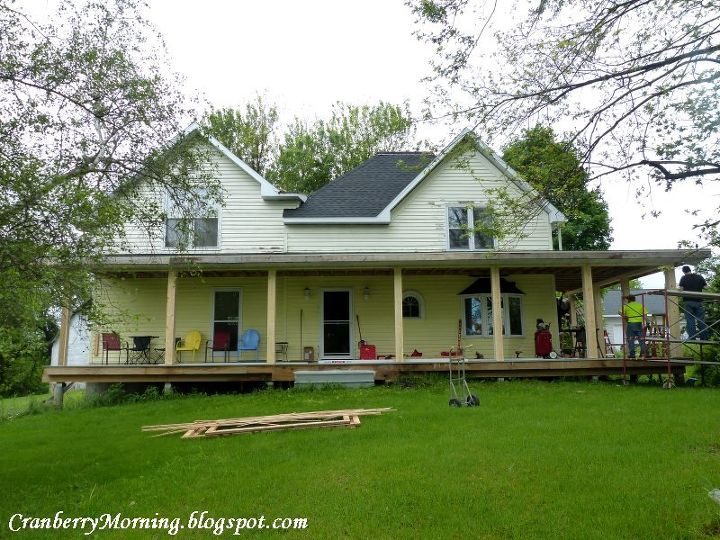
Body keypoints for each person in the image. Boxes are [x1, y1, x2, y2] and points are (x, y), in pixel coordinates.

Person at [678, 265, 708, 340]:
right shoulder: (699, 277)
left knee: (690, 320)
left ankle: (692, 337)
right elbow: (706, 287)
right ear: (690, 270)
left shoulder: (683, 278)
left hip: (688, 301)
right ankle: (704, 338)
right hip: (699, 301)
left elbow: (681, 289)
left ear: (683, 271)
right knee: (701, 320)